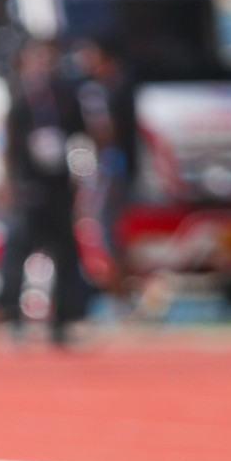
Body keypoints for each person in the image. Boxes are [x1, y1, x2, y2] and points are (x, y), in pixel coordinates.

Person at [0, 37, 87, 345]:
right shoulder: (20, 97)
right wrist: (6, 181)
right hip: (27, 185)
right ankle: (12, 319)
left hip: (58, 185)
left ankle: (63, 322)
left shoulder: (68, 97)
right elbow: (6, 143)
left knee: (65, 253)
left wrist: (81, 175)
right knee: (18, 250)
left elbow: (82, 139)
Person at [72, 37, 138, 296]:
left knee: (104, 228)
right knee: (102, 229)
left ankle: (118, 290)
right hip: (106, 168)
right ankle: (115, 288)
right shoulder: (101, 87)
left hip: (109, 169)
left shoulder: (110, 89)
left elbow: (107, 132)